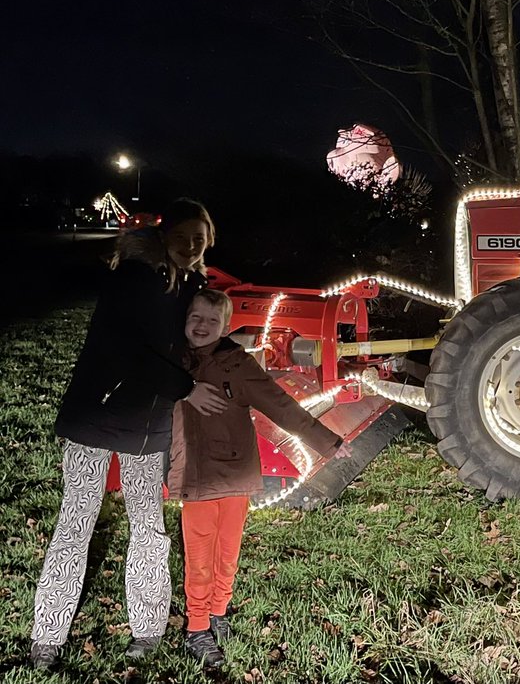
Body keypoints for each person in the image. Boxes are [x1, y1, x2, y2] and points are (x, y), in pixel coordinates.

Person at [30, 199, 228, 670]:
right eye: (182, 236)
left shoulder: (194, 287)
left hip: (149, 429)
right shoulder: (133, 279)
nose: (191, 245)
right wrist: (186, 388)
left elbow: (200, 340)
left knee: (149, 529)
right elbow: (125, 351)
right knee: (75, 524)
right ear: (163, 235)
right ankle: (48, 636)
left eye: (199, 239)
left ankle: (147, 629)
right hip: (97, 419)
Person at [170, 289, 351, 669]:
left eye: (212, 321)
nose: (202, 326)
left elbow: (280, 405)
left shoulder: (237, 365)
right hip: (196, 478)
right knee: (199, 557)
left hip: (235, 472)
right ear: (183, 319)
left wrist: (327, 442)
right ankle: (197, 626)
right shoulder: (170, 361)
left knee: (227, 553)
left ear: (226, 328)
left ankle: (218, 611)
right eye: (195, 317)